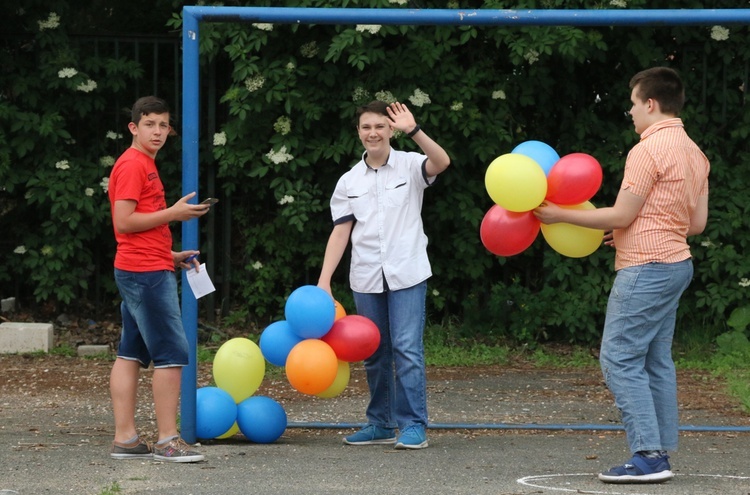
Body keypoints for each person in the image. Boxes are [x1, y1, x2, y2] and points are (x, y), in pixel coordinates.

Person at [534, 67, 710, 484]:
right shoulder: (696, 152)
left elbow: (623, 213)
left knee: (619, 358)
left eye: (633, 103)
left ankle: (648, 455)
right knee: (655, 360)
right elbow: (696, 223)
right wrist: (635, 227)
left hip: (646, 268)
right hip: (676, 264)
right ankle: (660, 449)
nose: (630, 112)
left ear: (650, 104)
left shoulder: (646, 150)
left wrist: (558, 213)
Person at [317, 100, 451, 449]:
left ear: (390, 130)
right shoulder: (349, 180)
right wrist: (324, 280)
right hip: (366, 277)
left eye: (379, 126)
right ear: (358, 132)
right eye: (366, 127)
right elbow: (341, 231)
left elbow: (442, 162)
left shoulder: (410, 165)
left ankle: (413, 425)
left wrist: (415, 130)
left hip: (408, 272)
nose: (373, 133)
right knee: (373, 351)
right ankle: (380, 422)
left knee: (407, 349)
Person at [107, 96, 210, 462]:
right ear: (134, 127)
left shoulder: (141, 163)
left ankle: (126, 439)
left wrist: (170, 255)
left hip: (144, 265)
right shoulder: (134, 164)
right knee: (171, 353)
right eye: (150, 124)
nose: (158, 131)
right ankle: (168, 441)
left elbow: (134, 229)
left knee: (131, 353)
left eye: (163, 125)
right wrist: (175, 214)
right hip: (145, 274)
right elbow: (124, 221)